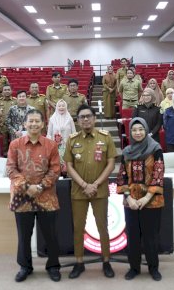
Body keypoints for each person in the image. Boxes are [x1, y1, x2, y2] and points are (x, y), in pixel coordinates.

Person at [7, 109, 62, 283]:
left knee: (50, 235)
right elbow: (10, 168)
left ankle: (53, 266)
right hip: (22, 197)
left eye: (37, 121)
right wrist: (26, 187)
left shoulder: (51, 145)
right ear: (25, 124)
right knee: (24, 236)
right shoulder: (15, 144)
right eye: (30, 121)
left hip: (46, 196)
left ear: (43, 124)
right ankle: (25, 266)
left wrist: (40, 186)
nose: (33, 124)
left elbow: (55, 169)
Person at [64, 105, 116, 279]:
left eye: (88, 116)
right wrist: (84, 185)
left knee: (103, 227)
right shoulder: (72, 139)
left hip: (99, 191)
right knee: (78, 228)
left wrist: (95, 184)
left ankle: (106, 261)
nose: (85, 119)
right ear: (77, 121)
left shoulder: (105, 137)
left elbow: (111, 163)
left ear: (94, 118)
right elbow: (68, 166)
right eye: (82, 117)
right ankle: (79, 263)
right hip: (79, 192)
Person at [116, 118, 164, 281]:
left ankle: (153, 268)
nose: (137, 133)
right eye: (134, 130)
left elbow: (158, 174)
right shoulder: (127, 151)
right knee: (133, 236)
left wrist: (147, 197)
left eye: (141, 129)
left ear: (146, 130)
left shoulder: (155, 149)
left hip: (151, 200)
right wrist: (129, 198)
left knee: (151, 237)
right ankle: (134, 268)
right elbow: (122, 176)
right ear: (130, 132)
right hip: (131, 202)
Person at [47, 99, 76, 176]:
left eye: (63, 106)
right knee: (57, 167)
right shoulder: (52, 119)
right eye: (59, 106)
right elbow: (49, 134)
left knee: (67, 167)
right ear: (56, 107)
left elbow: (74, 133)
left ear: (66, 107)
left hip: (68, 147)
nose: (61, 107)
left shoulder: (70, 119)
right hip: (56, 147)